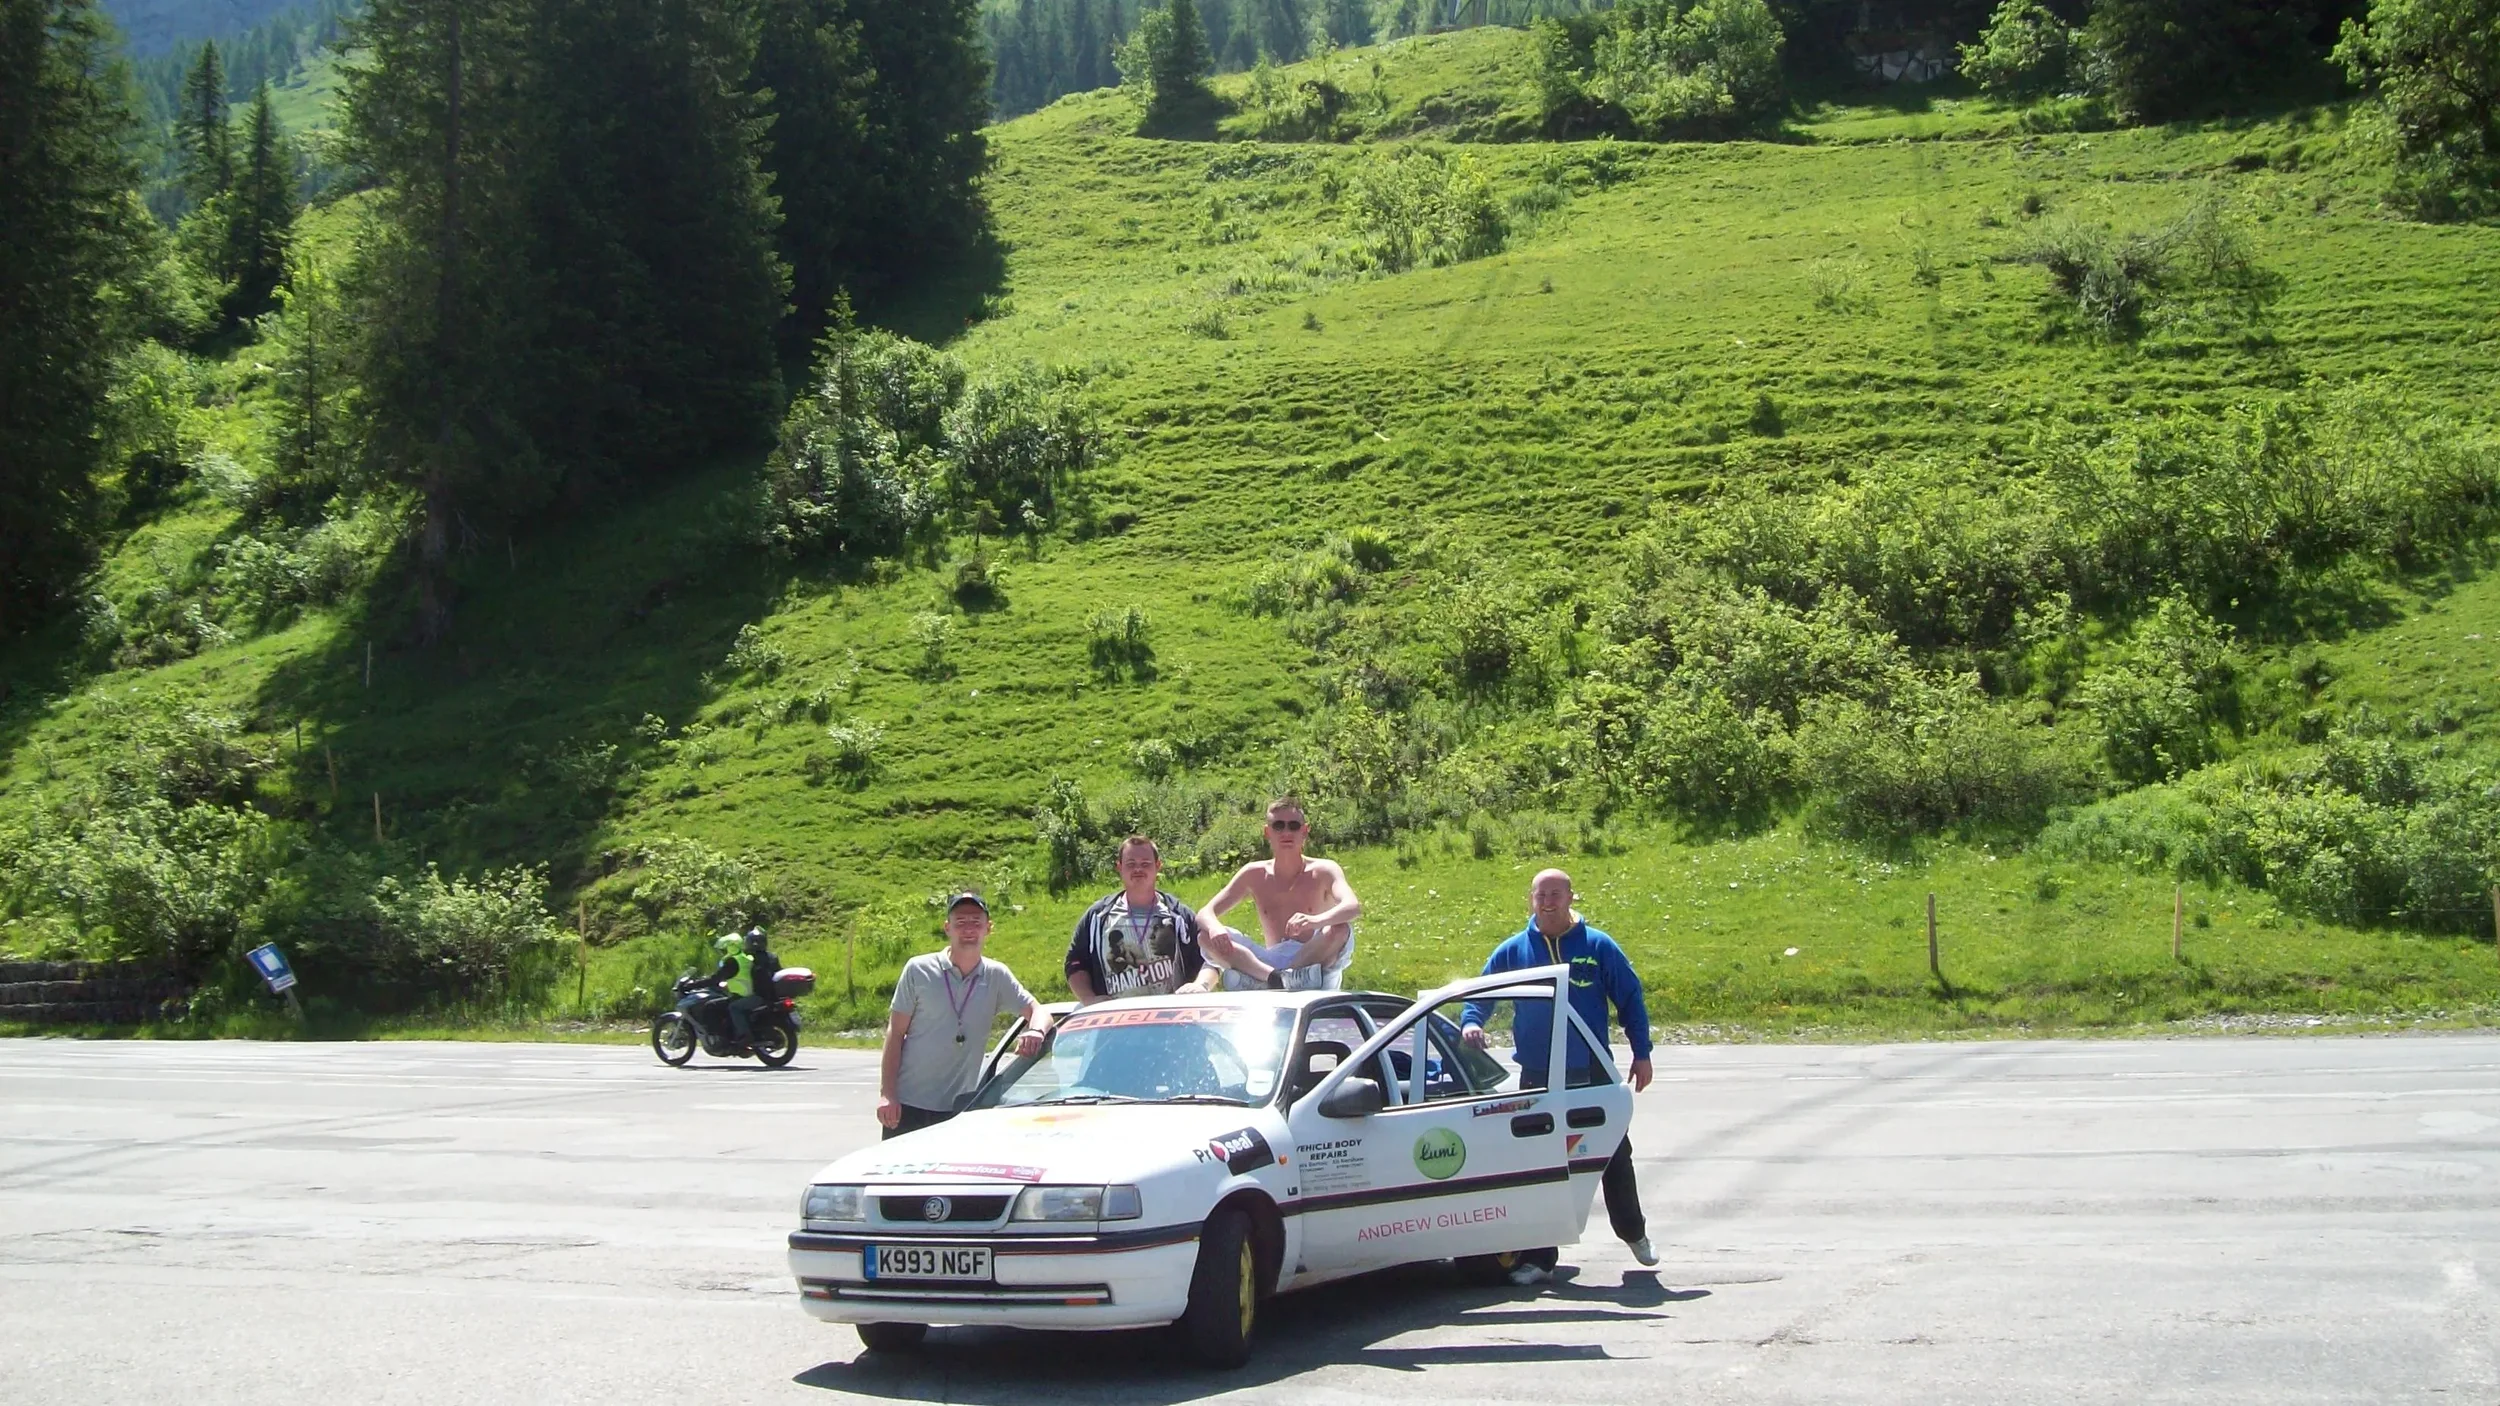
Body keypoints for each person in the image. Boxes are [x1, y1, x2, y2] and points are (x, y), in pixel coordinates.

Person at [1460, 867, 1659, 1284]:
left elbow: (1630, 998)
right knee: (1538, 1164)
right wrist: (1472, 1022)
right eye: (1540, 894)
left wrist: (1642, 1053)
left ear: (1571, 898)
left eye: (1555, 893)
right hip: (1537, 1075)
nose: (1547, 901)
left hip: (1590, 1072)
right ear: (1531, 900)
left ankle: (1634, 1233)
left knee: (1613, 1154)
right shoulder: (1515, 950)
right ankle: (1539, 1257)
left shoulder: (1597, 946)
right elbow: (1480, 993)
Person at [879, 894, 1048, 1138]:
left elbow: (1039, 1011)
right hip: (908, 1106)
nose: (968, 928)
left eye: (975, 922)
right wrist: (888, 1095)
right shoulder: (918, 969)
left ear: (988, 928)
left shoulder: (996, 975)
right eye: (960, 922)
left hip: (960, 1109)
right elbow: (895, 1033)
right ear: (947, 928)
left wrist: (1035, 1030)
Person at [1066, 835, 1276, 1003]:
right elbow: (1075, 964)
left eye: (1145, 863)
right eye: (1131, 863)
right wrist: (1089, 999)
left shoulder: (1178, 916)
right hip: (1117, 1024)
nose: (1138, 869)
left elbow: (1210, 958)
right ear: (1119, 867)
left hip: (1170, 1023)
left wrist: (1201, 985)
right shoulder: (1098, 917)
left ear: (1158, 866)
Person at [1197, 797, 1363, 991]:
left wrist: (1315, 921)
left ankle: (1276, 979)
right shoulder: (1254, 873)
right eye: (1278, 826)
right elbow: (1205, 913)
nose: (1286, 833)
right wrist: (1216, 928)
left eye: (1293, 826)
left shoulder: (1324, 870)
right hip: (1269, 963)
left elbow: (1353, 907)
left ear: (1304, 831)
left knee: (1340, 929)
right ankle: (1272, 979)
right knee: (1205, 936)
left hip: (1313, 963)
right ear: (1268, 832)